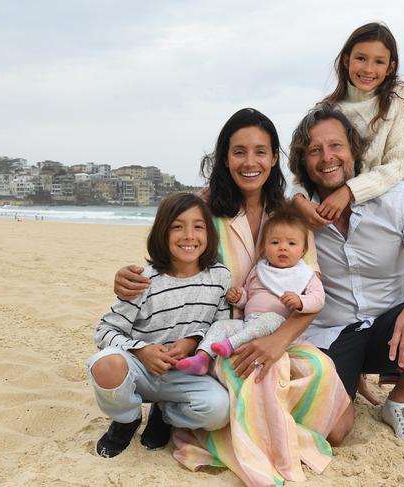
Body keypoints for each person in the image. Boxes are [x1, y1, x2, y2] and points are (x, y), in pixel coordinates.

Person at [113, 108, 351, 486]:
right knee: (250, 393)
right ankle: (177, 405)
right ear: (225, 157)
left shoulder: (290, 215)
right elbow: (167, 260)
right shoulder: (203, 208)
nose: (250, 162)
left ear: (275, 158)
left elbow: (311, 291)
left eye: (261, 151)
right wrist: (128, 276)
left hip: (281, 334)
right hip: (216, 336)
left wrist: (277, 341)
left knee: (338, 426)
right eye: (239, 151)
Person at [288, 106, 404, 442]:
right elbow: (255, 200)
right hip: (330, 335)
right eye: (315, 150)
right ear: (303, 162)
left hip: (390, 330)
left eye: (336, 146)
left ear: (354, 151)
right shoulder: (295, 212)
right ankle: (347, 383)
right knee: (333, 432)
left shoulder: (400, 199)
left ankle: (399, 401)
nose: (327, 157)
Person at [294, 22, 404, 394]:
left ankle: (394, 376)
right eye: (361, 58)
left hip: (383, 194)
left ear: (391, 66)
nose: (369, 69)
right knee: (340, 283)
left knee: (403, 279)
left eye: (379, 61)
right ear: (346, 60)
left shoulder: (400, 96)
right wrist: (301, 199)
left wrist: (350, 192)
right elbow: (305, 161)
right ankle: (355, 369)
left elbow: (398, 163)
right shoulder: (328, 108)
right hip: (338, 202)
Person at [88, 192, 231, 458]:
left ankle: (165, 414)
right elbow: (105, 331)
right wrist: (141, 350)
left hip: (183, 374)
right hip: (139, 371)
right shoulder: (143, 281)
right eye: (177, 226)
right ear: (162, 233)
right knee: (105, 363)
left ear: (210, 234)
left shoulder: (220, 277)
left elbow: (220, 324)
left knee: (219, 411)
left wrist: (194, 342)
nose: (189, 235)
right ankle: (127, 418)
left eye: (198, 226)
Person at [176, 203, 325, 375]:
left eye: (291, 243)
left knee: (270, 318)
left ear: (303, 250)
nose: (283, 247)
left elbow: (319, 299)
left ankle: (230, 344)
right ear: (263, 248)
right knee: (221, 325)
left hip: (278, 328)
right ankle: (202, 358)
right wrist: (239, 297)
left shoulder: (304, 274)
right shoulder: (259, 269)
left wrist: (300, 301)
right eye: (275, 242)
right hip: (249, 323)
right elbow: (249, 295)